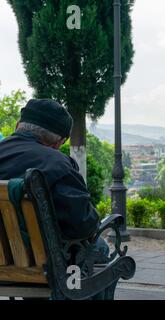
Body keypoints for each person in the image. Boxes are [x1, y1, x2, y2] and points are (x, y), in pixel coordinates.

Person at [0, 99, 110, 299]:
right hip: (45, 268)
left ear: (18, 126)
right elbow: (82, 226)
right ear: (59, 141)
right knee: (100, 249)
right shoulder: (57, 163)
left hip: (4, 265)